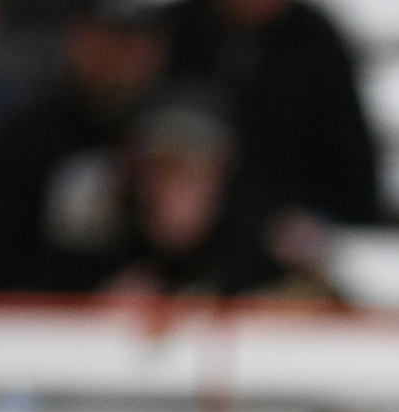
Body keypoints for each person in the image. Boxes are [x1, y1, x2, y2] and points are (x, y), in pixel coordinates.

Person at [158, 0, 378, 277]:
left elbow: (354, 171)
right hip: (178, 238)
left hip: (288, 233)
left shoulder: (314, 40)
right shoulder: (177, 30)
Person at [0, 0, 168, 293]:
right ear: (78, 39)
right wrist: (91, 293)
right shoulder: (28, 138)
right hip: (46, 325)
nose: (123, 59)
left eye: (138, 43)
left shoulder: (177, 132)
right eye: (111, 40)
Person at [102, 84, 285, 295]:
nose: (174, 187)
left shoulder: (268, 243)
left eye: (192, 168)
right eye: (160, 167)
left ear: (222, 171)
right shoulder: (105, 234)